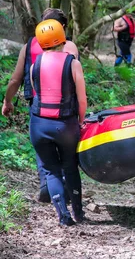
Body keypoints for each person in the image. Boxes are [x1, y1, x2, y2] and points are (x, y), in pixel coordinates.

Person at [2, 8, 79, 203]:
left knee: (43, 148)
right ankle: (66, 186)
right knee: (66, 147)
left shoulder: (28, 46)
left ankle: (48, 184)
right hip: (65, 106)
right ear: (63, 28)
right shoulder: (69, 46)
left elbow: (15, 80)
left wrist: (7, 101)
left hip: (38, 106)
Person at [29, 20, 87, 226]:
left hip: (38, 126)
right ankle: (79, 213)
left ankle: (63, 216)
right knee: (70, 166)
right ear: (63, 38)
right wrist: (80, 121)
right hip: (65, 126)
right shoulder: (73, 63)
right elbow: (81, 100)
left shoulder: (35, 65)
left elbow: (39, 94)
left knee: (51, 170)